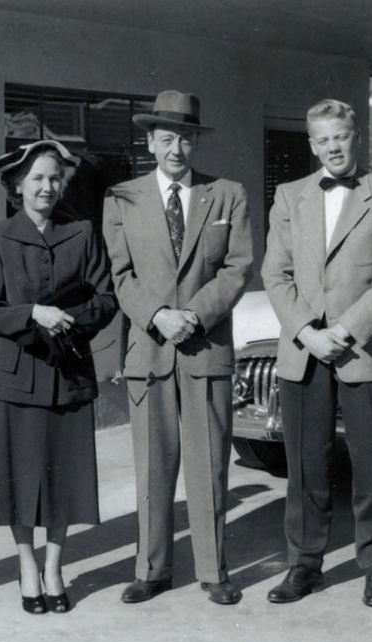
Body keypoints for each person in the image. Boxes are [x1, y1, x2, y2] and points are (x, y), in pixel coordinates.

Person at [103, 90, 254, 606]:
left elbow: (238, 268)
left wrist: (194, 315)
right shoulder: (121, 199)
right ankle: (152, 570)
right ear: (150, 142)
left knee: (209, 466)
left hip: (205, 350)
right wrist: (157, 316)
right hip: (149, 353)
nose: (176, 149)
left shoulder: (226, 194)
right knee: (152, 468)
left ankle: (214, 571)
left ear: (195, 142)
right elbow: (120, 276)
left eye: (185, 138)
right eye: (166, 138)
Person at [261, 99, 372, 608]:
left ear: (357, 137)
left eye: (341, 137)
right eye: (322, 140)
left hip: (362, 351)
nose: (333, 147)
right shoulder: (288, 196)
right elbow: (274, 274)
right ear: (311, 144)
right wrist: (307, 331)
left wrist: (343, 332)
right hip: (302, 352)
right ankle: (304, 566)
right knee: (306, 466)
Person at [0, 140, 117, 615]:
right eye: (37, 178)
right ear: (18, 186)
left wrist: (69, 319)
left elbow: (106, 299)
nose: (47, 186)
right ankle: (26, 566)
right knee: (21, 477)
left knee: (65, 477)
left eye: (55, 177)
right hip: (17, 376)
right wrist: (34, 313)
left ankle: (54, 566)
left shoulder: (82, 232)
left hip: (69, 371)